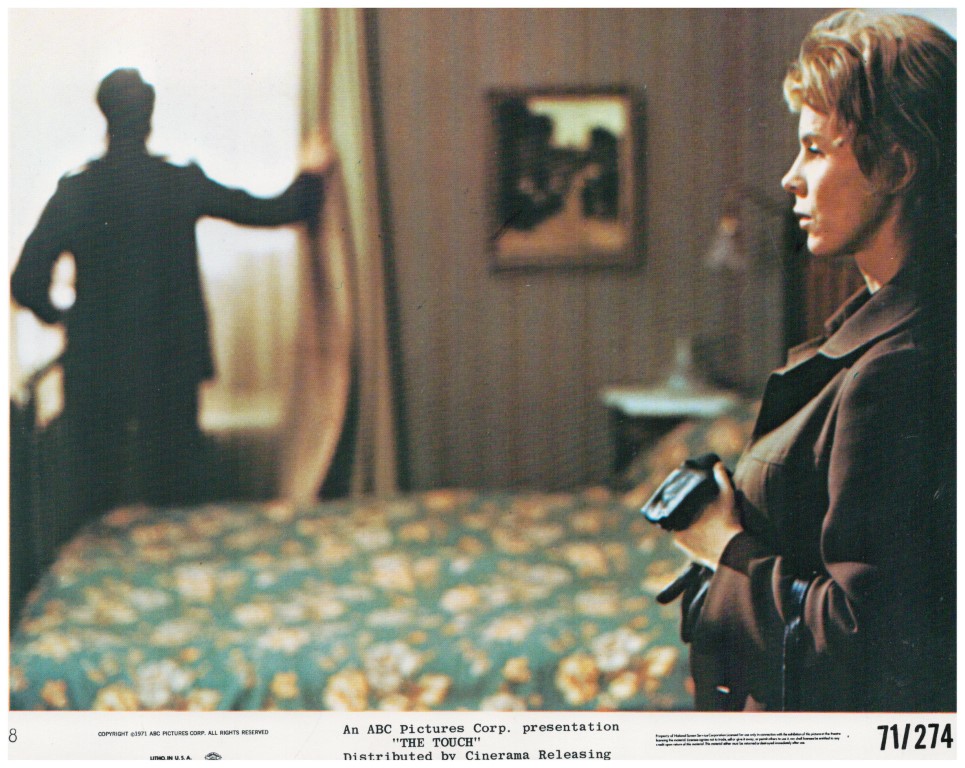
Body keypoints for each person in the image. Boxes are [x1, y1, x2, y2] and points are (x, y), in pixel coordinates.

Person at [671, 11, 956, 712]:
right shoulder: (877, 326)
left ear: (896, 165)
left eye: (815, 149)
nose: (790, 178)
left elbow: (863, 641)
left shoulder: (900, 366)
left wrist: (722, 547)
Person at [11, 68, 325, 529]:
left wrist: (68, 317)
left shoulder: (77, 190)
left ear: (105, 116)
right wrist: (314, 172)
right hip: (170, 360)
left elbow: (25, 282)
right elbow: (272, 210)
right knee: (175, 497)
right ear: (149, 117)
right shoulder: (177, 182)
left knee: (94, 506)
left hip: (98, 364)